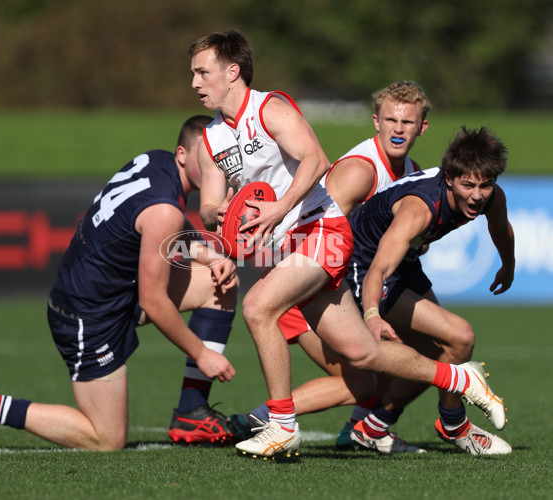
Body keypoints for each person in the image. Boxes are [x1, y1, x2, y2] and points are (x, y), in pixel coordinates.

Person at [188, 29, 506, 460]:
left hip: (322, 232)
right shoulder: (210, 139)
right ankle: (459, 380)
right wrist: (222, 214)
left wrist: (279, 208)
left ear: (232, 71)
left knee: (257, 307)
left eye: (202, 72)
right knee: (363, 353)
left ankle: (280, 425)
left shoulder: (270, 109)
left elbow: (316, 159)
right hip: (291, 249)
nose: (195, 83)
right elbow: (208, 204)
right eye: (194, 74)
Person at [0, 115, 239, 450]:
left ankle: (192, 412)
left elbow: (149, 232)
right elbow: (154, 301)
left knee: (222, 284)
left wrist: (206, 254)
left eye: (220, 161)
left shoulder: (157, 161)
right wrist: (201, 353)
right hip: (87, 314)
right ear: (182, 155)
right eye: (207, 160)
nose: (215, 170)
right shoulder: (166, 210)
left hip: (115, 290)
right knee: (106, 439)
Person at [228, 80, 432, 451]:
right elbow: (321, 226)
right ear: (376, 121)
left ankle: (352, 431)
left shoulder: (411, 171)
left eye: (407, 122)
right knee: (361, 375)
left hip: (333, 279)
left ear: (422, 127)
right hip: (306, 278)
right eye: (391, 120)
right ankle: (265, 420)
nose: (398, 129)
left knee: (371, 369)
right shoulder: (360, 170)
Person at [344, 126, 514, 456]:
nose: (477, 195)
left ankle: (373, 427)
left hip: (403, 263)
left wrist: (508, 265)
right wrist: (371, 315)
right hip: (362, 263)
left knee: (443, 349)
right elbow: (377, 269)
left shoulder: (490, 197)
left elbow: (500, 227)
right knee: (460, 337)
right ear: (449, 178)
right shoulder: (420, 208)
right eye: (468, 185)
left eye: (485, 185)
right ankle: (455, 425)